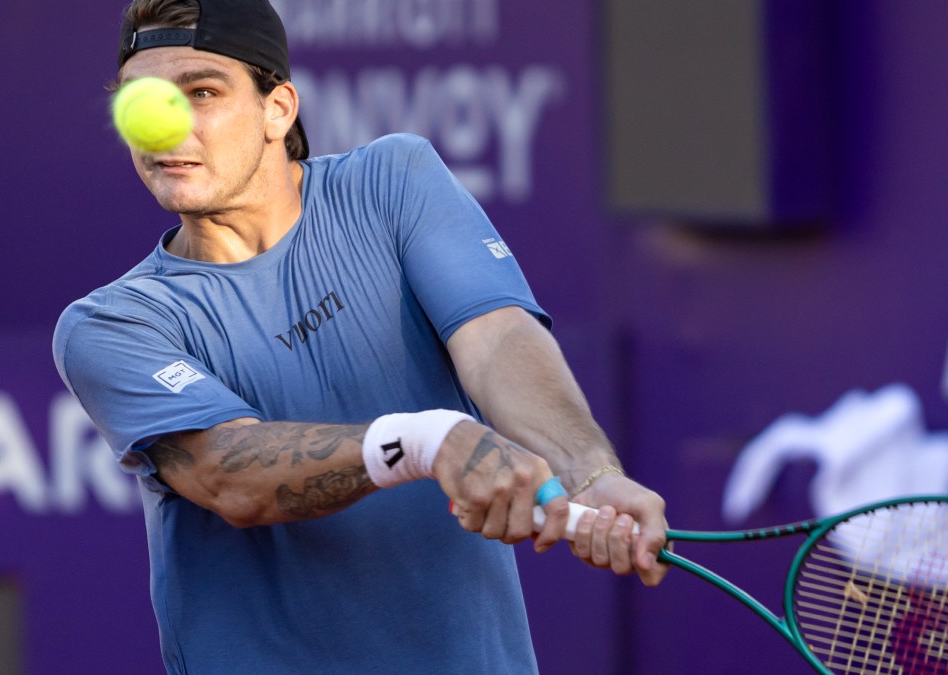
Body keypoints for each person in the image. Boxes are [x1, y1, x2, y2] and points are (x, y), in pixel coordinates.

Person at [53, 0, 668, 672]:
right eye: (144, 100)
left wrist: (590, 473)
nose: (167, 125)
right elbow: (228, 474)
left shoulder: (394, 183)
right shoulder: (111, 323)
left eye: (202, 92)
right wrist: (425, 441)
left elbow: (497, 341)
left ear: (277, 109)